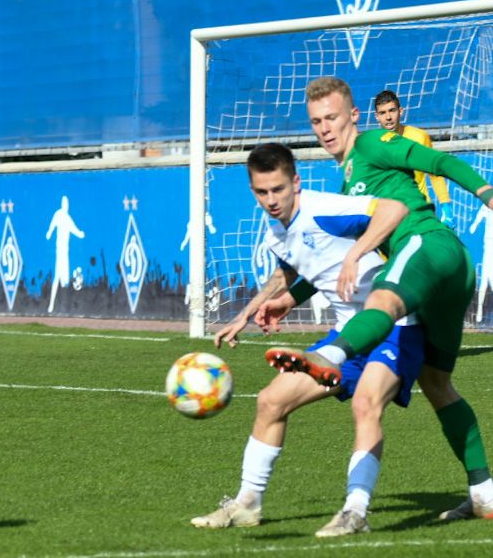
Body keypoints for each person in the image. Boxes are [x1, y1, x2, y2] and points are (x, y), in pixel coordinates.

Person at [270, 76, 493, 521]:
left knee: (383, 304)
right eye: (316, 122)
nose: (324, 128)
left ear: (353, 116)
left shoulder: (373, 146)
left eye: (332, 117)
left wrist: (487, 194)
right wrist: (289, 299)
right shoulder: (348, 176)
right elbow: (335, 263)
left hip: (428, 244)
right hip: (438, 277)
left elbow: (437, 162)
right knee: (436, 384)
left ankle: (332, 355)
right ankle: (485, 494)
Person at [191, 143, 424, 536]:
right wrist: (247, 315)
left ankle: (355, 511)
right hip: (346, 333)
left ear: (295, 182)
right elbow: (288, 270)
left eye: (278, 190)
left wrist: (357, 255)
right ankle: (247, 503)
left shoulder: (324, 208)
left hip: (397, 325)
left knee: (366, 404)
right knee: (271, 401)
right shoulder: (275, 228)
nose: (271, 200)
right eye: (262, 193)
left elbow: (392, 209)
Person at [374, 90, 455, 229]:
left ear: (401, 111)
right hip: (390, 217)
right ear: (376, 116)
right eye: (383, 113)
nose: (388, 117)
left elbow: (435, 173)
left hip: (421, 213)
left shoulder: (419, 137)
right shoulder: (373, 144)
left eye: (392, 110)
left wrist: (446, 208)